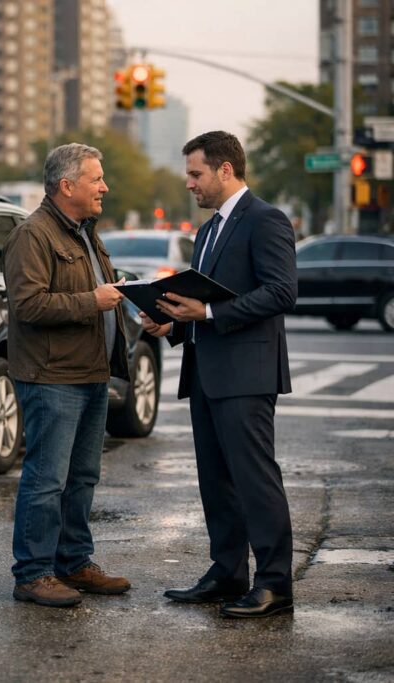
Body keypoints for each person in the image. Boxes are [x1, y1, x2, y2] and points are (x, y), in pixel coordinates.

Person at [142, 131, 297, 618]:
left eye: (196, 174)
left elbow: (281, 292)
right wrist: (170, 320)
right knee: (216, 481)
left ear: (225, 170)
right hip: (206, 371)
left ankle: (275, 584)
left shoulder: (266, 220)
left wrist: (207, 313)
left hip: (247, 374)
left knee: (255, 479)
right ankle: (228, 572)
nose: (189, 184)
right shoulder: (207, 230)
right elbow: (198, 300)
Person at [2, 143, 132, 608]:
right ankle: (33, 574)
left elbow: (103, 292)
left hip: (90, 373)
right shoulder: (32, 235)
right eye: (96, 179)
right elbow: (29, 305)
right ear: (66, 185)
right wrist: (91, 302)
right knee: (47, 479)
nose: (104, 187)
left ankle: (74, 562)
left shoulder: (83, 232)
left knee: (82, 477)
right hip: (52, 377)